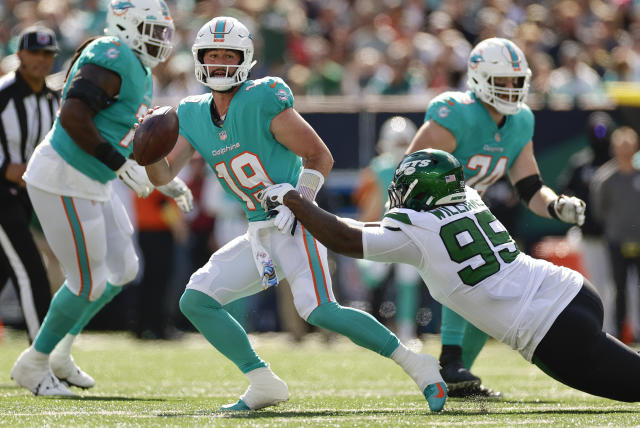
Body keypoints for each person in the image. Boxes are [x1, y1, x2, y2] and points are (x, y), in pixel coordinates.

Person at [143, 16, 447, 412]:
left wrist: (300, 201)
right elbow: (163, 174)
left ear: (245, 58)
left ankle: (416, 363)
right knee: (196, 300)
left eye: (227, 55)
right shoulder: (193, 112)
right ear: (200, 58)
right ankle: (262, 380)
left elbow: (319, 155)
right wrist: (145, 149)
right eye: (211, 55)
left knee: (320, 309)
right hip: (258, 231)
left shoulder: (262, 97)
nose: (218, 63)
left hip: (294, 221)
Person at [259, 148, 640, 404]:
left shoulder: (413, 230)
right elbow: (361, 229)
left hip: (547, 328)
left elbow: (343, 236)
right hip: (569, 291)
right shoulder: (470, 199)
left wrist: (295, 199)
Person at [11, 0, 192, 397]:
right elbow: (74, 114)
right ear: (126, 26)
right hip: (66, 176)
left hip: (94, 179)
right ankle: (34, 362)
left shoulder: (139, 69)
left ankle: (59, 349)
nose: (160, 40)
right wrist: (116, 162)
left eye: (163, 31)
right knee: (87, 281)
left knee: (124, 268)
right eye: (152, 30)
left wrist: (164, 181)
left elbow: (128, 135)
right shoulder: (112, 54)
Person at [406, 37, 586, 398]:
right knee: (475, 267)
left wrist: (556, 205)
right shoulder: (454, 111)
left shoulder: (520, 122)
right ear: (478, 77)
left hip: (466, 216)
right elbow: (410, 170)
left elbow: (531, 187)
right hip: (427, 211)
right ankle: (450, 361)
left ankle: (457, 375)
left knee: (496, 288)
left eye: (515, 81)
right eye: (500, 80)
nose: (509, 88)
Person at [0, 26, 59, 343]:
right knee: (32, 273)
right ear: (20, 55)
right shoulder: (4, 94)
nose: (41, 59)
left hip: (25, 199)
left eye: (47, 54)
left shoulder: (52, 99)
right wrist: (12, 169)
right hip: (2, 197)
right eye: (34, 52)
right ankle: (40, 359)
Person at [352, 116, 422, 345]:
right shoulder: (377, 169)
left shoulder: (418, 168)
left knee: (407, 283)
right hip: (384, 231)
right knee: (375, 280)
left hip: (405, 233)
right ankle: (378, 329)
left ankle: (405, 331)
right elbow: (367, 207)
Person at [560, 111, 616, 333]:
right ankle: (604, 330)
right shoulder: (581, 163)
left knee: (626, 286)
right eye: (596, 130)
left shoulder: (619, 163)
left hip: (618, 235)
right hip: (591, 234)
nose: (600, 135)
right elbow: (564, 193)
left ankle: (627, 329)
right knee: (597, 285)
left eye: (604, 130)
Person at [591, 126, 640, 344]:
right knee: (618, 289)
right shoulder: (605, 178)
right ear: (614, 148)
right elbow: (599, 210)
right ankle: (621, 338)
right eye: (621, 146)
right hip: (617, 241)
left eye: (629, 146)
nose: (625, 151)